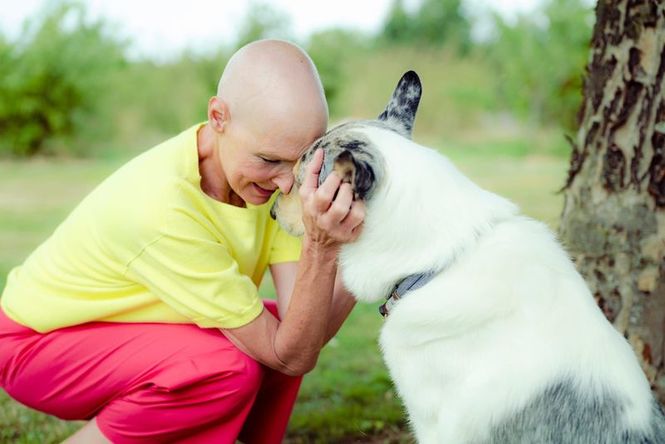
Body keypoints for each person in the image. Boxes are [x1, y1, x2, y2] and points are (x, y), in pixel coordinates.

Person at [0, 39, 364, 443]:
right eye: (268, 160)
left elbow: (302, 334)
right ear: (218, 117)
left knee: (275, 330)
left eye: (297, 164)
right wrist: (322, 247)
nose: (284, 183)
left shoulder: (261, 179)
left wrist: (361, 254)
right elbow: (289, 353)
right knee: (225, 367)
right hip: (35, 344)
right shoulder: (163, 207)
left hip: (123, 328)